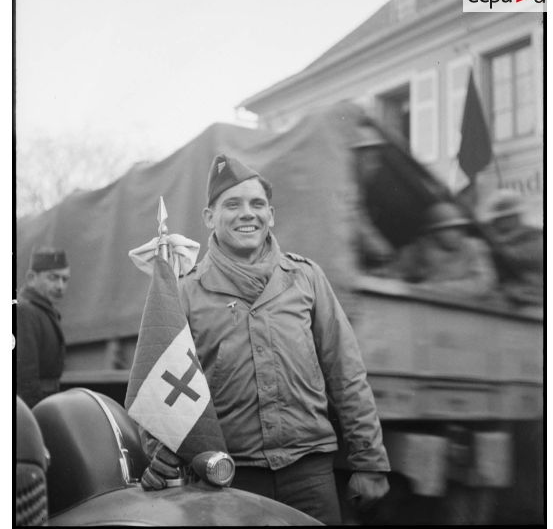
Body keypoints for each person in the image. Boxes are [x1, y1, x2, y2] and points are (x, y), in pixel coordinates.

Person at [139, 154, 391, 525]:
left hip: (310, 472)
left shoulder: (306, 278)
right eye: (233, 204)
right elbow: (158, 390)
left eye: (257, 204)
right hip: (229, 480)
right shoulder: (185, 293)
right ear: (209, 217)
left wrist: (370, 460)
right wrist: (161, 450)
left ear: (271, 215)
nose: (247, 214)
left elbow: (347, 373)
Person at [391, 201, 497, 298]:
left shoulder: (475, 247)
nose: (460, 233)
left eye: (460, 228)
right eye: (451, 229)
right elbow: (391, 276)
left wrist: (426, 289)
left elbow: (481, 285)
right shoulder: (416, 250)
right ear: (433, 232)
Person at [16, 247, 70, 408]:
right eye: (53, 278)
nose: (60, 286)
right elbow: (25, 376)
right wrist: (36, 417)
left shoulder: (43, 311)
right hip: (34, 407)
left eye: (65, 279)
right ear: (32, 278)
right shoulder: (23, 311)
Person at [483, 190, 543, 307]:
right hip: (507, 293)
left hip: (534, 294)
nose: (495, 222)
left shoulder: (534, 237)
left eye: (502, 218)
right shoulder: (498, 238)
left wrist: (496, 244)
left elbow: (516, 257)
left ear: (514, 217)